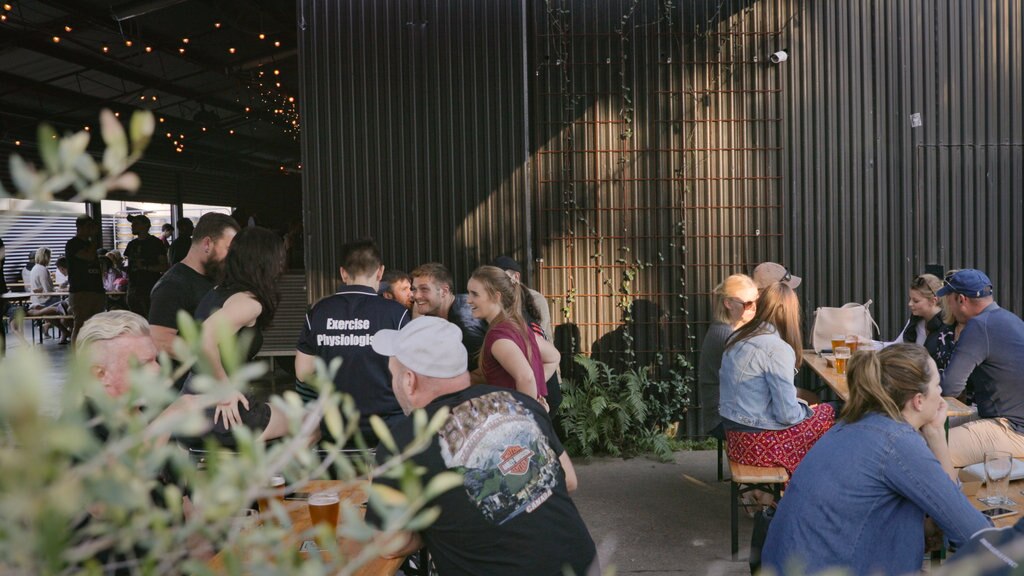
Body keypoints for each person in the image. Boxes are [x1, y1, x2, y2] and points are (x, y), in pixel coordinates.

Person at [367, 316, 598, 576]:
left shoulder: (403, 441)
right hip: (583, 564)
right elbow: (568, 479)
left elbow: (388, 543)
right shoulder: (518, 401)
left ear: (409, 380)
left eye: (393, 374)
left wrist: (435, 525)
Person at [762, 344, 991, 575]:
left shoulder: (853, 424)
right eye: (937, 386)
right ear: (919, 400)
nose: (941, 394)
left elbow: (948, 511)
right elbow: (974, 534)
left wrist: (936, 434)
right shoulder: (897, 442)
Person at [295, 239, 410, 444]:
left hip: (335, 426)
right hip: (388, 426)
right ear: (380, 272)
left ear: (343, 273)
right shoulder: (397, 313)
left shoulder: (318, 311)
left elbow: (303, 373)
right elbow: (410, 372)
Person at [719, 282, 835, 474]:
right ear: (789, 313)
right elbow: (787, 415)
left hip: (735, 437)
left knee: (817, 411)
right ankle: (811, 490)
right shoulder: (776, 348)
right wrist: (806, 410)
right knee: (833, 413)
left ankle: (775, 494)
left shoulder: (738, 336)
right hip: (757, 442)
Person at [189, 227, 290, 444]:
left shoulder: (218, 290)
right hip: (221, 412)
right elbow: (203, 340)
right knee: (312, 423)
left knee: (283, 410)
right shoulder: (248, 303)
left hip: (195, 403)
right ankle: (275, 476)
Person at [938, 269, 1024, 467]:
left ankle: (952, 498)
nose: (947, 306)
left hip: (1011, 428)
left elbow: (950, 388)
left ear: (961, 299)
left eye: (948, 299)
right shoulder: (1011, 319)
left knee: (924, 448)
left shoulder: (979, 325)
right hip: (1007, 418)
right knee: (926, 428)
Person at [148, 213, 239, 358]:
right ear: (207, 244)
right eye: (227, 248)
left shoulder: (214, 275)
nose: (230, 256)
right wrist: (211, 359)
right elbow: (160, 340)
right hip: (190, 379)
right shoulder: (172, 285)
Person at [467, 266, 560, 405]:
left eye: (475, 294)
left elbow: (526, 377)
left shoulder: (499, 337)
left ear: (496, 297)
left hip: (515, 422)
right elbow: (553, 357)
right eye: (469, 293)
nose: (468, 300)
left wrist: (529, 410)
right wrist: (534, 393)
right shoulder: (516, 326)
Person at [698, 273, 759, 435]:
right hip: (722, 417)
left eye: (756, 302)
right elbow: (751, 380)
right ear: (728, 303)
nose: (754, 308)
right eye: (747, 304)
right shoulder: (726, 336)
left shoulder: (731, 329)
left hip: (729, 411)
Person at [410, 262, 487, 371]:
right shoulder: (438, 310)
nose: (416, 296)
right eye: (414, 289)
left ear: (444, 292)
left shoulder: (464, 326)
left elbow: (484, 372)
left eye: (424, 289)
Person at [891, 274, 953, 368]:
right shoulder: (915, 321)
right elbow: (897, 346)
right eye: (910, 299)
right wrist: (868, 344)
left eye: (916, 301)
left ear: (933, 301)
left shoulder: (947, 327)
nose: (910, 304)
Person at [65, 214, 105, 344]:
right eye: (88, 226)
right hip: (81, 290)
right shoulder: (72, 244)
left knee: (95, 325)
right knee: (80, 325)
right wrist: (93, 238)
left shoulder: (90, 243)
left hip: (96, 289)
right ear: (79, 227)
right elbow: (88, 256)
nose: (91, 229)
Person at [491, 255, 552, 339]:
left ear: (516, 277)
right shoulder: (494, 299)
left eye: (502, 278)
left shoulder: (536, 299)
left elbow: (537, 338)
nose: (498, 282)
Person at [123, 214, 169, 318]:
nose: (132, 226)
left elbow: (164, 266)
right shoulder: (131, 244)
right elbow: (127, 264)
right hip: (133, 287)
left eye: (136, 223)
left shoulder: (155, 243)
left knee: (150, 318)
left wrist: (145, 267)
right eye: (132, 224)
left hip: (149, 287)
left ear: (146, 226)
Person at [26, 247, 70, 342]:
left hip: (36, 300)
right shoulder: (42, 269)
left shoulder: (35, 268)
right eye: (50, 256)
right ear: (46, 257)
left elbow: (42, 288)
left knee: (51, 312)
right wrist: (58, 291)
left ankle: (64, 331)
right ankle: (69, 330)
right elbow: (48, 290)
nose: (50, 259)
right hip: (45, 300)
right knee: (67, 305)